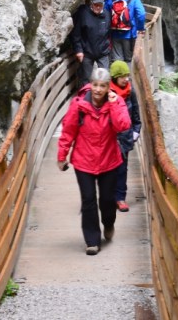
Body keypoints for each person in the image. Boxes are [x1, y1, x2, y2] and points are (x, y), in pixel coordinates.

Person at [57, 66, 131, 254]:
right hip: (84, 160)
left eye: (102, 86)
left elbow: (123, 126)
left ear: (108, 87)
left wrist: (113, 104)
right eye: (95, 85)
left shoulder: (117, 102)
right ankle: (92, 241)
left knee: (107, 200)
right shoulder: (78, 105)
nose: (98, 89)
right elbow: (68, 131)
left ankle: (108, 223)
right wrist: (62, 155)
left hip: (109, 159)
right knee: (88, 200)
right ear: (90, 85)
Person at [109, 60, 141, 212]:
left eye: (127, 76)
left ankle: (120, 198)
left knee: (122, 168)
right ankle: (108, 196)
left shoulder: (130, 92)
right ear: (115, 77)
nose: (126, 79)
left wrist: (136, 131)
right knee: (108, 168)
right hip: (110, 137)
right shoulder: (107, 92)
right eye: (122, 76)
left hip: (125, 137)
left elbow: (136, 113)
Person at [73, 0, 112, 84]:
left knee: (105, 77)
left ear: (103, 5)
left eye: (100, 5)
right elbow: (76, 34)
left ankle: (103, 92)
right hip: (87, 52)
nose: (98, 7)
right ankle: (86, 93)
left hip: (103, 52)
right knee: (86, 78)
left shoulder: (107, 15)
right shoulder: (83, 14)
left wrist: (108, 46)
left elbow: (109, 32)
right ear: (91, 4)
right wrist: (79, 50)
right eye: (95, 5)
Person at [110, 0, 146, 64]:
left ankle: (119, 72)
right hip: (130, 33)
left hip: (115, 33)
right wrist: (140, 28)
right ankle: (129, 73)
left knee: (118, 60)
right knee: (129, 59)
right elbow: (141, 14)